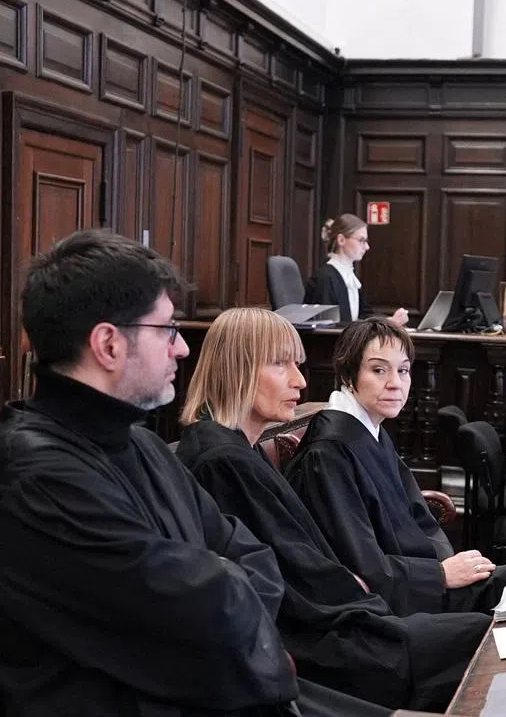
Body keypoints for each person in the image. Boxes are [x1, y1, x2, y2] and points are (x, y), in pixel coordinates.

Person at [0, 229, 388, 716]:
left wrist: (229, 588)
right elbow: (207, 612)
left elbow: (252, 556)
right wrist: (230, 592)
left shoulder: (140, 442)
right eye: (167, 331)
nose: (182, 349)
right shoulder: (36, 475)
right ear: (108, 344)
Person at [176, 308, 489, 711]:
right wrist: (370, 603)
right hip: (318, 642)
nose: (300, 380)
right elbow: (291, 583)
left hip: (339, 616)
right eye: (280, 364)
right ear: (237, 367)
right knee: (479, 636)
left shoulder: (237, 447)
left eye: (298, 365)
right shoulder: (223, 461)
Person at [287, 318, 506, 616]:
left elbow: (420, 519)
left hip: (423, 580)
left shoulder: (373, 430)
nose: (395, 383)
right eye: (378, 370)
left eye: (403, 370)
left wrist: (450, 568)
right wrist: (440, 576)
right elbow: (360, 562)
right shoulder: (329, 452)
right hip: (398, 601)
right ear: (348, 374)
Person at [305, 213, 409, 327]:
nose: (367, 247)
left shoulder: (348, 276)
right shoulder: (325, 278)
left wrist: (389, 321)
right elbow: (327, 326)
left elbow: (364, 313)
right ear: (341, 240)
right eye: (361, 240)